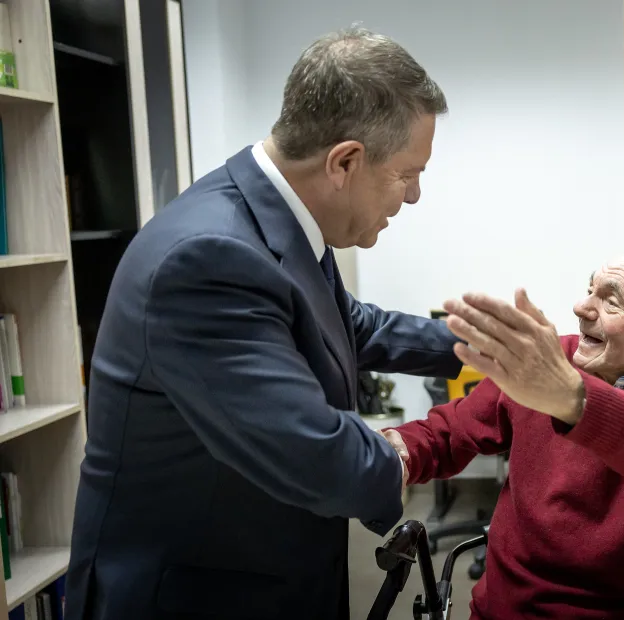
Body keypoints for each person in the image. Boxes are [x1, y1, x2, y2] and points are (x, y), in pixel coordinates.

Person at [66, 28, 463, 620]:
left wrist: (476, 347)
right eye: (407, 174)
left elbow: (348, 324)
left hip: (267, 565)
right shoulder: (206, 259)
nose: (413, 197)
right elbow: (320, 456)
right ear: (346, 162)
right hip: (195, 593)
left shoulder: (279, 220)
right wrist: (407, 452)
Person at [381, 246, 624, 619]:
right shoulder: (551, 364)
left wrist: (578, 401)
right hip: (506, 609)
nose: (581, 307)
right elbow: (448, 432)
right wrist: (395, 453)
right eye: (590, 290)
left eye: (611, 300)